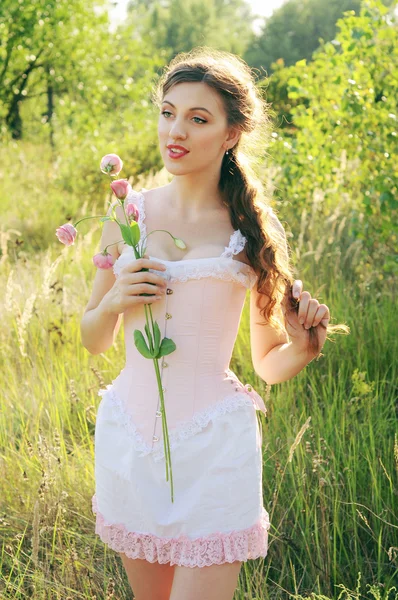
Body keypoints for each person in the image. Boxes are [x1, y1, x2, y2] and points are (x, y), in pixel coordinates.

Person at [80, 48, 334, 600]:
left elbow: (267, 364)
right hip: (132, 439)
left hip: (215, 446)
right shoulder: (128, 215)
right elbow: (93, 338)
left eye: (198, 119)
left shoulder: (254, 231)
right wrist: (114, 301)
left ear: (231, 134)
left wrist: (304, 346)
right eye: (168, 113)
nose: (176, 131)